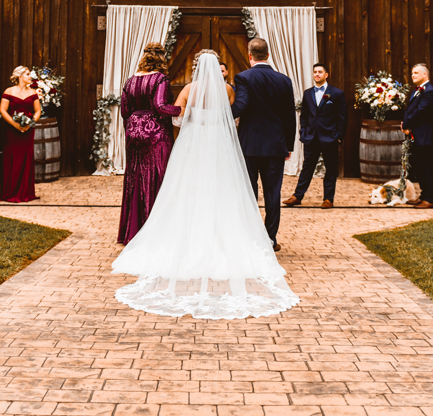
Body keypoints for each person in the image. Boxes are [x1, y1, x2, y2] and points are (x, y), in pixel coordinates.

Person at [112, 50, 299, 319]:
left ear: (196, 66)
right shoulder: (228, 89)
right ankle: (234, 237)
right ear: (217, 69)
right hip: (220, 145)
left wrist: (190, 117)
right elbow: (235, 116)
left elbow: (176, 118)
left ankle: (187, 235)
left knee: (187, 189)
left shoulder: (189, 88)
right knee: (225, 191)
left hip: (193, 144)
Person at [231, 37, 297, 250]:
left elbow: (239, 107)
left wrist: (219, 112)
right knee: (273, 193)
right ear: (268, 55)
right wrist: (288, 145)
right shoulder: (284, 80)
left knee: (249, 193)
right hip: (276, 145)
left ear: (249, 56)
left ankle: (251, 238)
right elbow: (290, 116)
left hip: (249, 146)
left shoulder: (243, 78)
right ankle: (270, 239)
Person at [117, 43, 181, 244]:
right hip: (155, 133)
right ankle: (156, 230)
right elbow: (161, 106)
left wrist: (136, 122)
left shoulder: (129, 81)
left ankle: (133, 230)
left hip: (133, 132)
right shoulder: (160, 79)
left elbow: (125, 112)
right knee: (157, 176)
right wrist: (182, 110)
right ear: (162, 58)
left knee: (135, 178)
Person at [284, 62, 347, 209]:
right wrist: (303, 132)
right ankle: (297, 196)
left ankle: (328, 199)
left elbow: (343, 117)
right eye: (315, 72)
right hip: (311, 137)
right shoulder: (307, 93)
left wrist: (339, 136)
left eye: (320, 72)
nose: (317, 74)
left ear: (326, 75)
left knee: (330, 169)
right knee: (307, 168)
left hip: (330, 137)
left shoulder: (337, 94)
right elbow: (304, 116)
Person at [0, 66, 43, 203]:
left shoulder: (33, 92)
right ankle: (10, 191)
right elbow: (3, 110)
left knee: (26, 158)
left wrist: (30, 124)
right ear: (19, 76)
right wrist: (15, 124)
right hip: (12, 131)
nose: (30, 76)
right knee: (12, 158)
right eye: (28, 74)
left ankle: (25, 191)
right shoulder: (9, 91)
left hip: (27, 131)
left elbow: (38, 111)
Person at [402, 63, 433, 209]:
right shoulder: (416, 91)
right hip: (416, 134)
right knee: (420, 167)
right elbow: (410, 110)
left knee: (426, 167)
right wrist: (406, 125)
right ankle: (423, 195)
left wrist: (405, 124)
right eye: (412, 73)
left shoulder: (429, 91)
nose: (413, 75)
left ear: (425, 75)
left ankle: (430, 198)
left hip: (425, 135)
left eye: (416, 73)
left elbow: (420, 112)